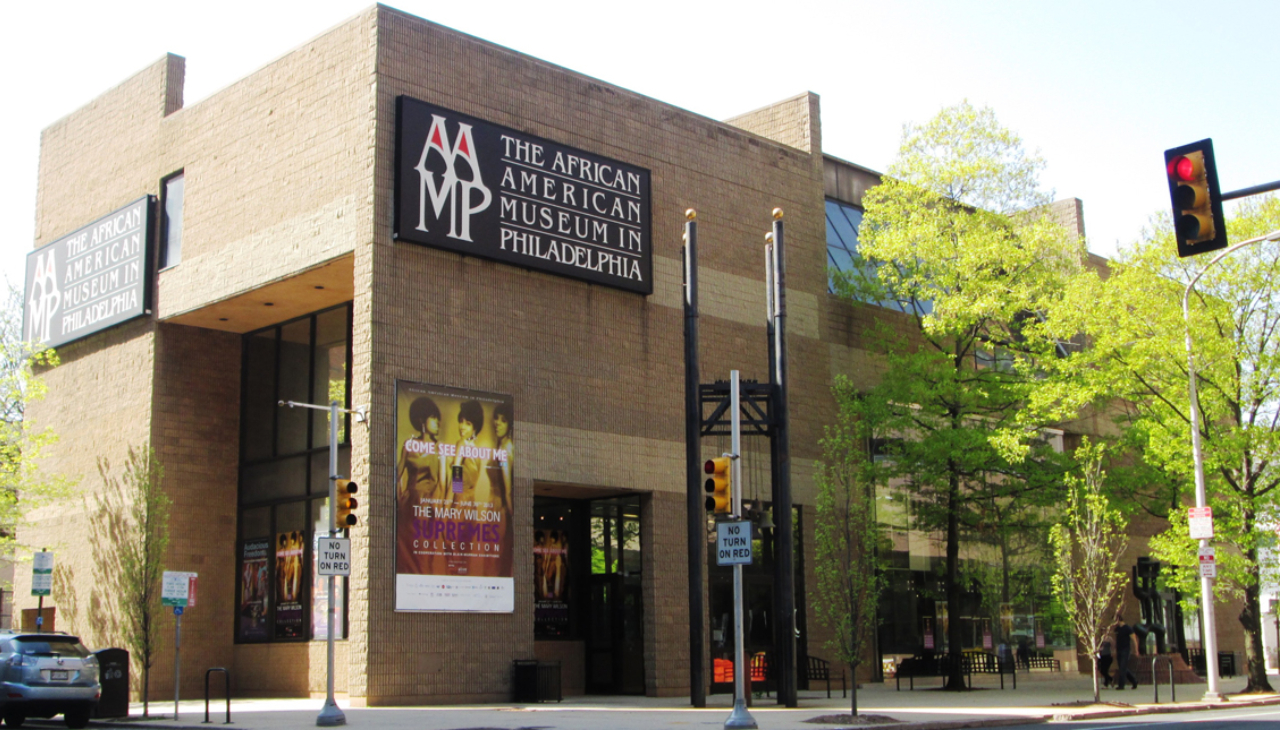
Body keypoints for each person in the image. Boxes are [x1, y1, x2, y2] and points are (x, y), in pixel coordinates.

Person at [1113, 613, 1139, 690]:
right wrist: (1114, 649)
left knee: (1122, 667)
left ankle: (1121, 685)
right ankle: (1134, 681)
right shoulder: (1117, 629)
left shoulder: (1128, 628)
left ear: (1118, 619)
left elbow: (1134, 640)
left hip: (1125, 650)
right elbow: (1115, 640)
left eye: (1115, 620)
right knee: (1122, 667)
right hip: (1119, 649)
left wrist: (1136, 650)